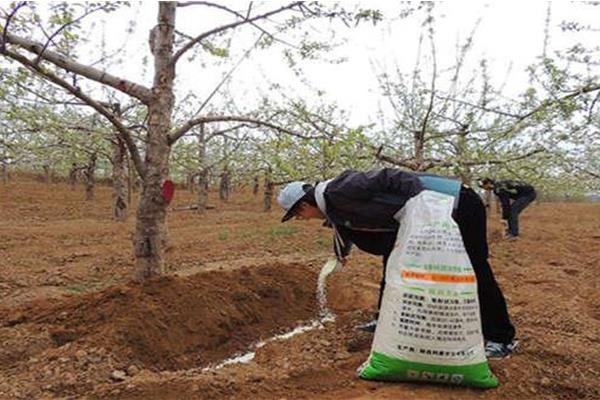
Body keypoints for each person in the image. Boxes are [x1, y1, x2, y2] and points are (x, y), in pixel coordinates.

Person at [277, 168, 517, 359]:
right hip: (434, 209)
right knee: (391, 259)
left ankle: (501, 337)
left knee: (475, 268)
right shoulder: (333, 204)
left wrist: (424, 202)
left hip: (455, 204)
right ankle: (385, 317)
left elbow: (391, 176)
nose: (301, 219)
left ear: (305, 205)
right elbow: (343, 227)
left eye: (298, 215)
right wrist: (341, 255)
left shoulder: (340, 189)